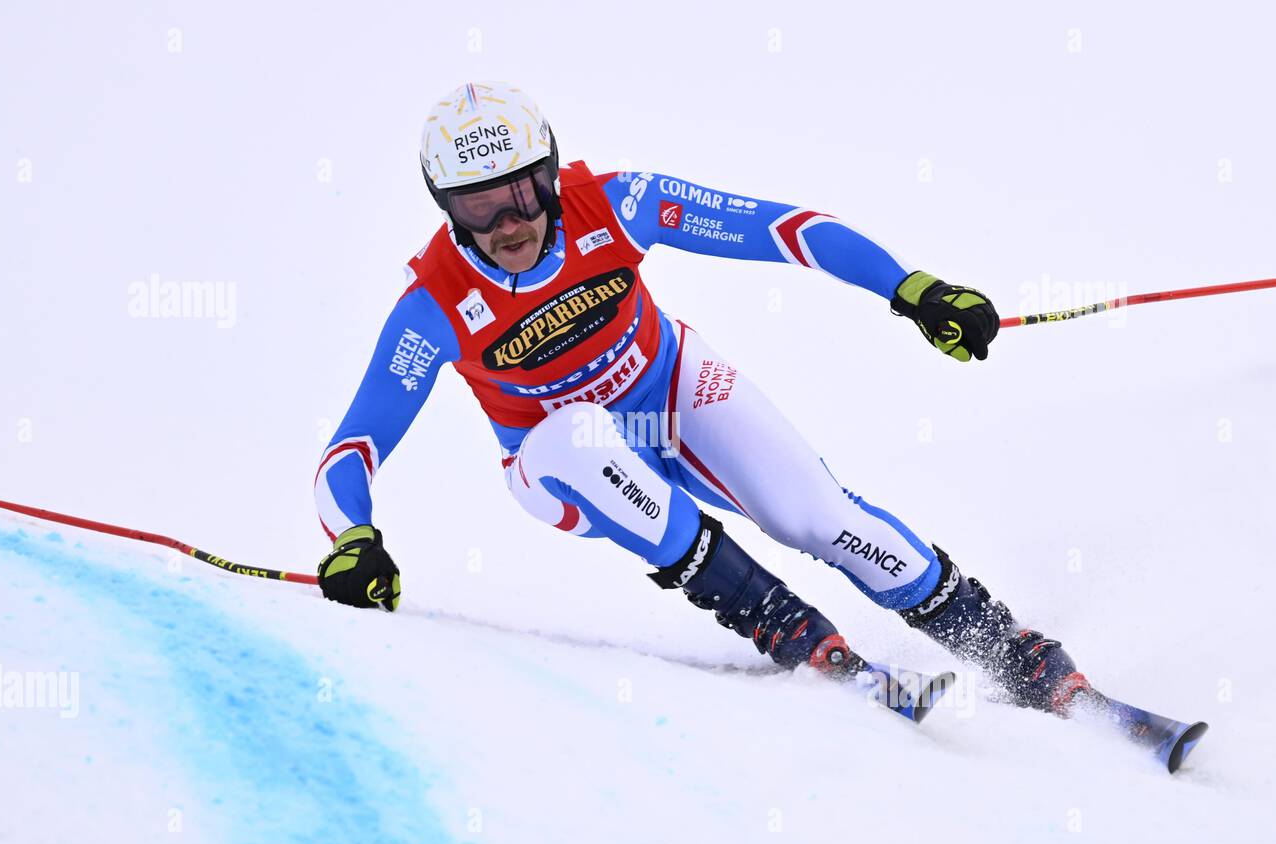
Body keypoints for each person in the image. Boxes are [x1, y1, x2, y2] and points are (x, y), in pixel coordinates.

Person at [314, 81, 1089, 713]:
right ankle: (775, 616)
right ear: (447, 208)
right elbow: (355, 448)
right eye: (479, 206)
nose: (509, 221)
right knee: (574, 430)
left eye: (521, 191)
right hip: (563, 468)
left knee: (815, 515)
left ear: (549, 173)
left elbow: (782, 229)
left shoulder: (618, 202)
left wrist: (911, 289)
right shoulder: (434, 303)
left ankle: (1004, 644)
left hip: (670, 387)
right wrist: (354, 537)